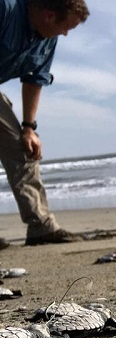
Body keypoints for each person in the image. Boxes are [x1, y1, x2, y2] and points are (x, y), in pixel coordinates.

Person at [0, 0, 90, 248]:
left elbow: (34, 79)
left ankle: (40, 226)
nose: (66, 34)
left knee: (22, 147)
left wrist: (29, 128)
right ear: (49, 16)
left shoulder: (47, 36)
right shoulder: (5, 10)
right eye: (67, 27)